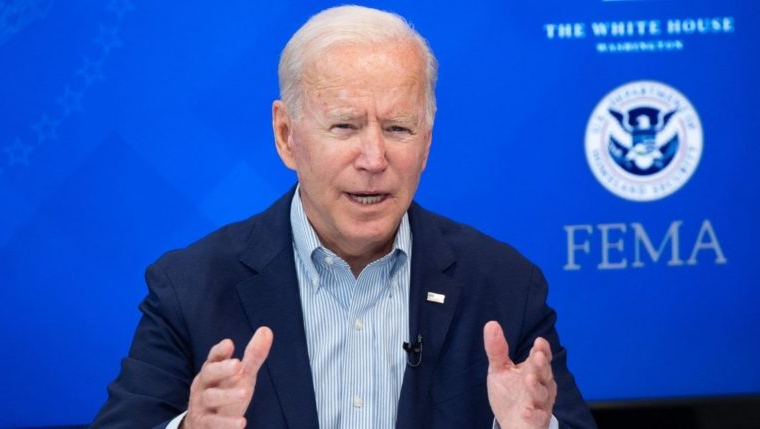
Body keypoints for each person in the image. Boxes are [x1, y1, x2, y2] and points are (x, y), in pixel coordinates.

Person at [91, 5, 597, 429]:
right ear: (287, 136)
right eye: (345, 126)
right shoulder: (191, 288)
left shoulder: (504, 286)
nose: (374, 158)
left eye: (399, 127)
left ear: (427, 143)